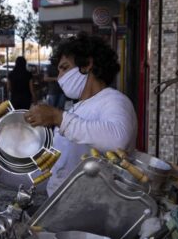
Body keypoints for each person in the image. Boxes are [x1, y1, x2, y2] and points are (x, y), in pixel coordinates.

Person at [25, 33, 137, 195]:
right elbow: (57, 169)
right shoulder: (76, 108)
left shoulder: (114, 100)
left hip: (97, 209)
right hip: (67, 205)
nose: (59, 78)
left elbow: (118, 139)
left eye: (64, 68)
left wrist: (58, 117)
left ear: (87, 65)